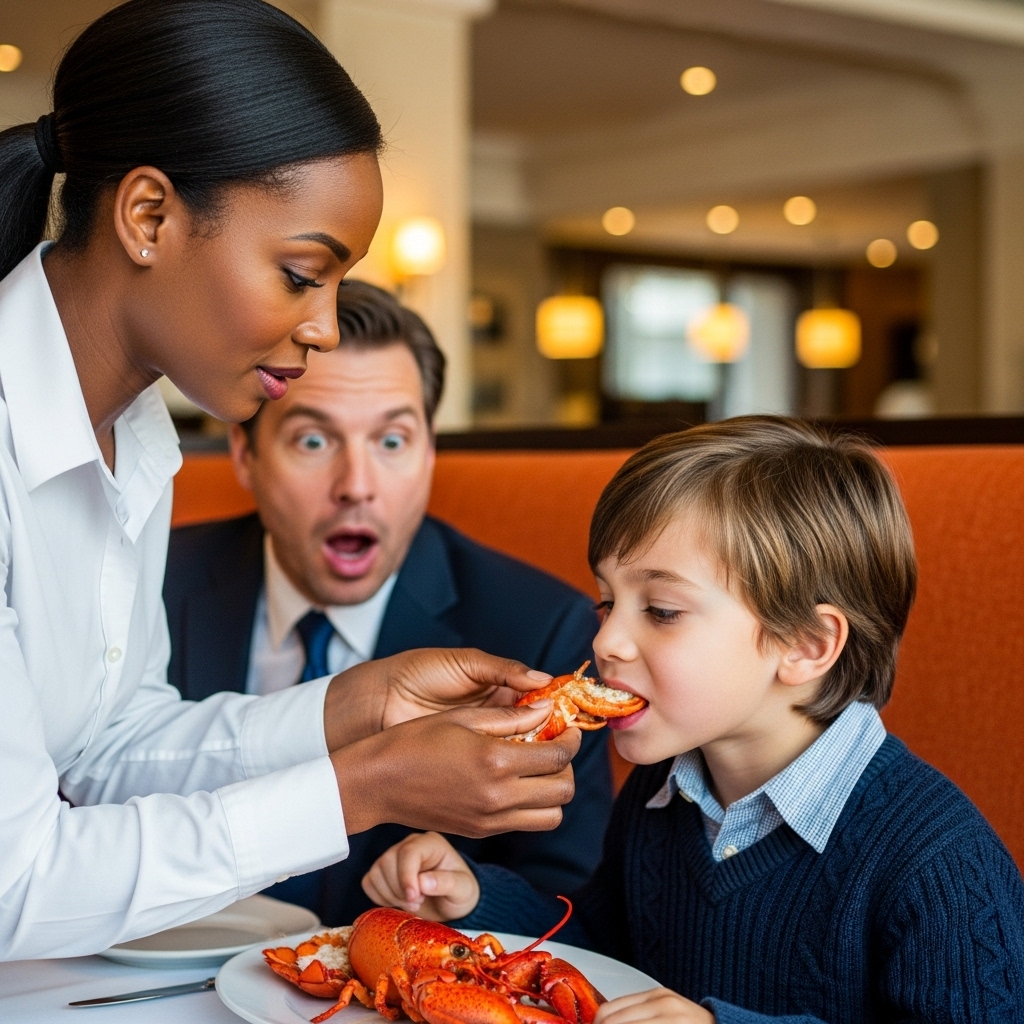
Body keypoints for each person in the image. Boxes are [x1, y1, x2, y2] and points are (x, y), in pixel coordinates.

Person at [0, 0, 581, 962]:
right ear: (149, 217)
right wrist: (366, 785)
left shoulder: (136, 434)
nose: (324, 327)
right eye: (304, 273)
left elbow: (107, 749)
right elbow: (15, 879)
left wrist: (358, 708)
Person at [364, 417, 1024, 1022]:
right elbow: (603, 952)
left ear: (805, 645)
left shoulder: (940, 862)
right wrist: (475, 898)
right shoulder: (661, 797)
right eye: (607, 603)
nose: (606, 642)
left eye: (662, 611)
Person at [163, 280, 611, 922]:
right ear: (245, 453)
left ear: (429, 454)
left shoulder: (541, 630)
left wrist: (473, 897)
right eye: (313, 441)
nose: (356, 486)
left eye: (392, 441)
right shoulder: (153, 585)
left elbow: (575, 904)